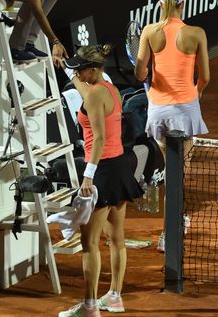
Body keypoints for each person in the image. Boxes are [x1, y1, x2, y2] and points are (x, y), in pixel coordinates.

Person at [58, 45, 144, 317]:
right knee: (116, 239)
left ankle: (90, 305)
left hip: (102, 170)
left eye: (80, 68)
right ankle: (115, 297)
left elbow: (99, 138)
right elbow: (86, 94)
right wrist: (69, 71)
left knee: (89, 243)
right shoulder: (109, 89)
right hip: (119, 166)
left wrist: (88, 175)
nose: (78, 72)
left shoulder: (96, 94)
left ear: (92, 70)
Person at [134, 0, 209, 252]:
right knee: (181, 172)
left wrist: (146, 76)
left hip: (158, 110)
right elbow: (206, 77)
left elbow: (140, 73)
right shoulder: (196, 33)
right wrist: (195, 95)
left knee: (171, 169)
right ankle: (173, 227)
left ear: (161, 5)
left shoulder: (149, 32)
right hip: (186, 109)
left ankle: (172, 225)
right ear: (183, 4)